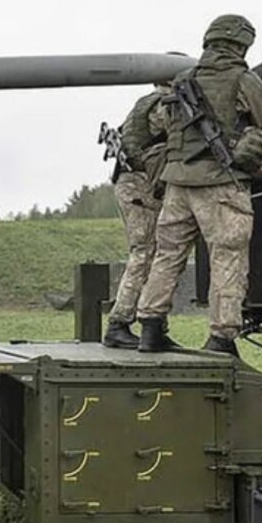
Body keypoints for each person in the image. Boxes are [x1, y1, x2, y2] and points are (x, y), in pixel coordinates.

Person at [135, 14, 262, 357]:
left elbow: (165, 130)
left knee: (168, 255)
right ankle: (221, 338)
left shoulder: (182, 81)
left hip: (176, 185)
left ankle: (150, 328)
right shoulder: (243, 79)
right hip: (220, 183)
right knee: (227, 258)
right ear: (241, 44)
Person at [102, 82, 172, 348]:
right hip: (140, 185)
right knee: (145, 253)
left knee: (152, 253)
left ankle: (152, 326)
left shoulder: (146, 103)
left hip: (133, 183)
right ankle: (119, 323)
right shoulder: (164, 105)